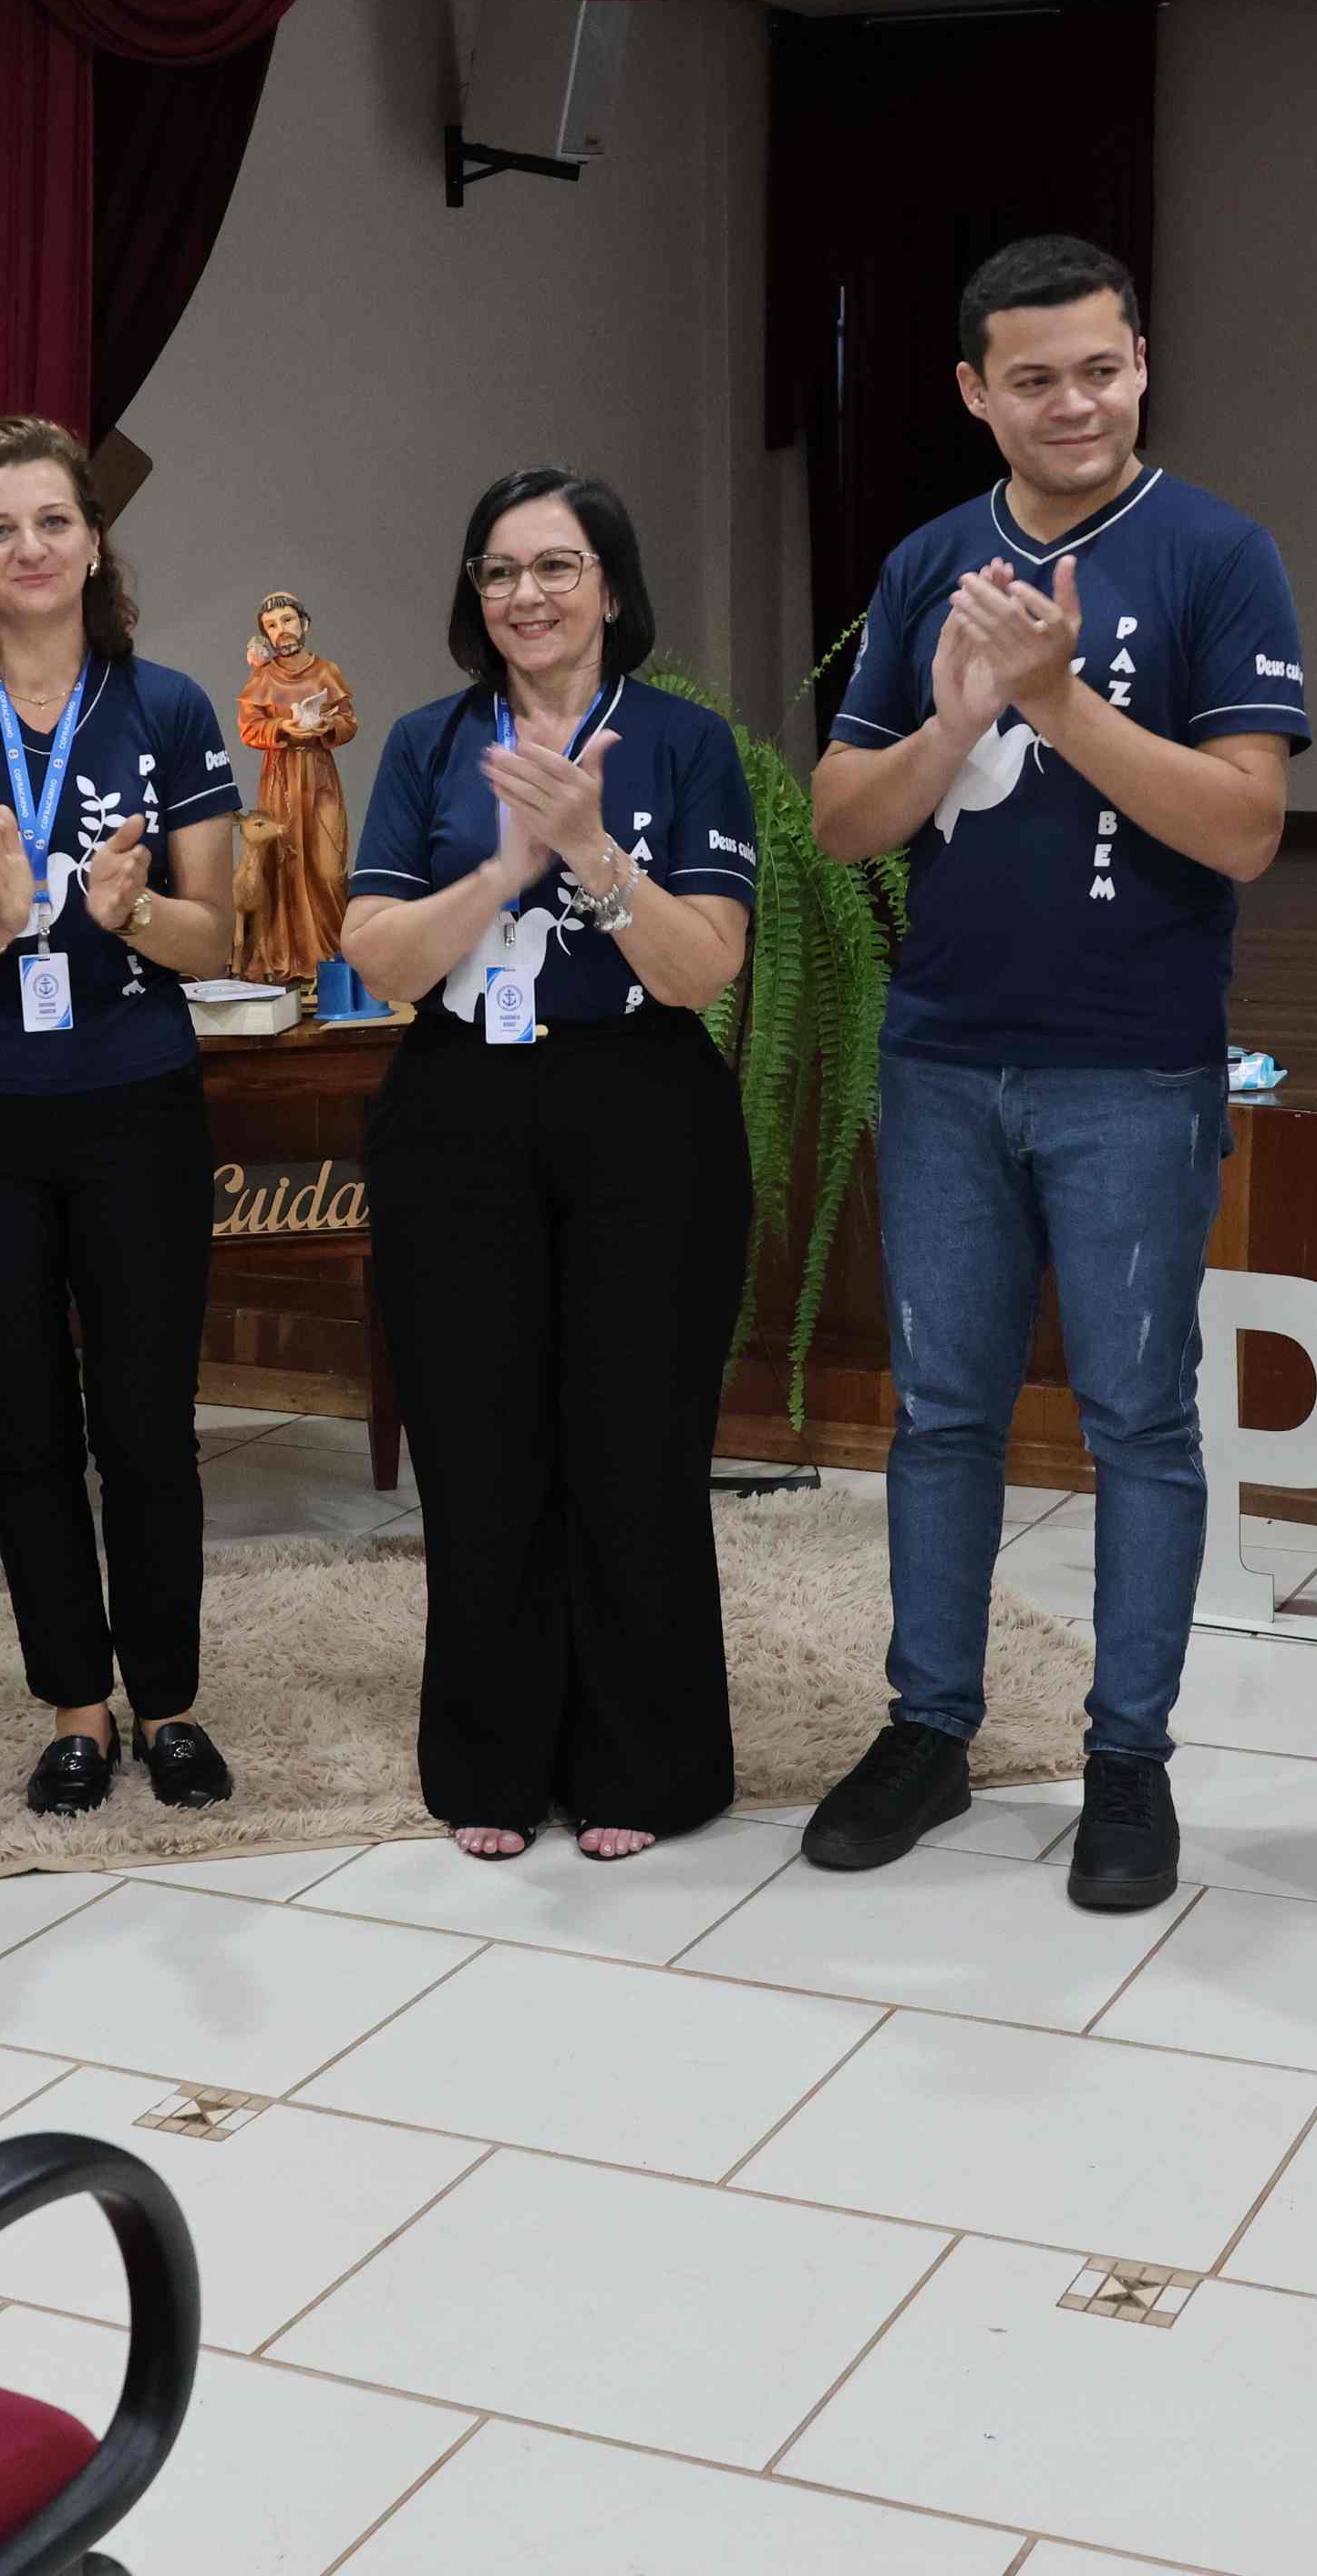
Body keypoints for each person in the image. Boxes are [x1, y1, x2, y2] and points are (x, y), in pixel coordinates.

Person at [804, 232, 1308, 1911]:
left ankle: (1126, 1759)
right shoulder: (926, 564)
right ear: (976, 392)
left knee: (1138, 1423)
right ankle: (930, 1729)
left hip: (1132, 1070)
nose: (1074, 402)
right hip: (944, 1061)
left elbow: (1246, 828)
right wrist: (962, 716)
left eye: (1100, 368)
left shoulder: (1220, 554)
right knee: (941, 1414)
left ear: (1142, 363)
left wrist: (1057, 699)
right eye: (1035, 378)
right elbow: (842, 821)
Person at [343, 469, 757, 1861]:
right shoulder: (427, 742)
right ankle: (493, 1760)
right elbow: (380, 957)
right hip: (459, 1102)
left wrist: (588, 848)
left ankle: (645, 1763)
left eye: (557, 566)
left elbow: (703, 971)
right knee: (478, 1443)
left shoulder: (686, 744)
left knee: (636, 1442)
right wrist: (501, 870)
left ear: (614, 588)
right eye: (500, 570)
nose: (526, 594)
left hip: (643, 1100)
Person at [0, 417, 245, 1818]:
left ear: (94, 543)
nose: (29, 547)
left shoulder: (169, 708)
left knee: (147, 1421)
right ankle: (76, 1706)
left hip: (135, 1106)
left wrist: (134, 916)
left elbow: (219, 936)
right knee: (22, 1425)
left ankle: (170, 1702)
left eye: (53, 521)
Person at [232, 592, 357, 986]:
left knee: (329, 869)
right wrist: (281, 728)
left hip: (319, 776)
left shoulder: (326, 672)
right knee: (283, 865)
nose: (281, 630)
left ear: (304, 624)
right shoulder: (262, 678)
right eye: (271, 625)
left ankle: (334, 960)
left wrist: (329, 726)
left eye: (287, 620)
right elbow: (249, 728)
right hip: (281, 776)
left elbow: (348, 721)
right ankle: (291, 961)